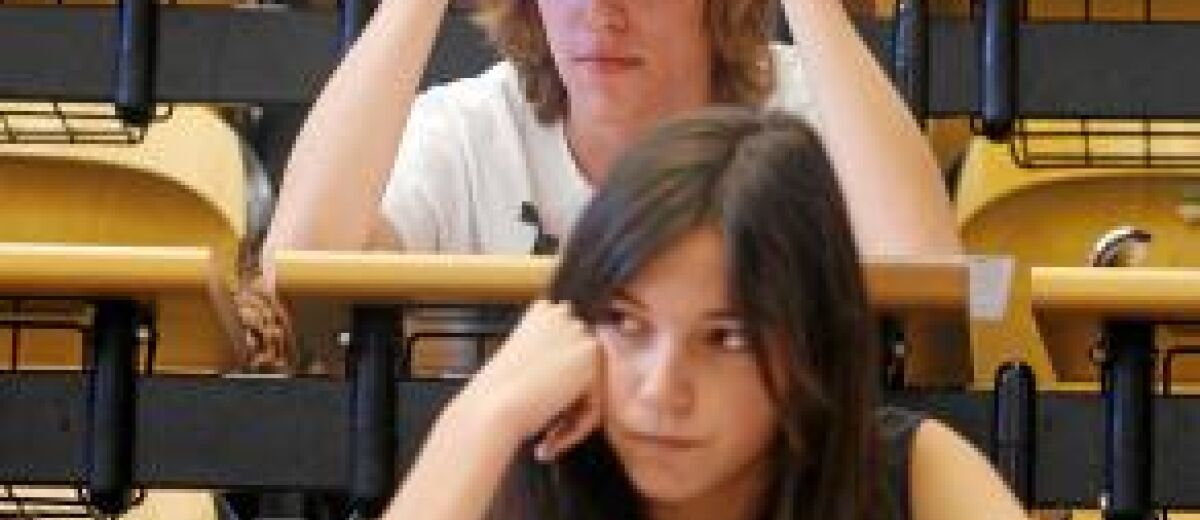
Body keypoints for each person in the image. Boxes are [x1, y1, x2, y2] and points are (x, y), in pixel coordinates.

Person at [294, 109, 1153, 520]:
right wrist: (476, 420)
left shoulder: (910, 475)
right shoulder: (522, 476)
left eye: (727, 337)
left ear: (811, 341)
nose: (663, 388)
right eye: (626, 323)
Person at [260, 0, 959, 269]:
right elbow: (299, 265)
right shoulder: (469, 131)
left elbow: (932, 279)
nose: (601, 12)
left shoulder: (807, 109)